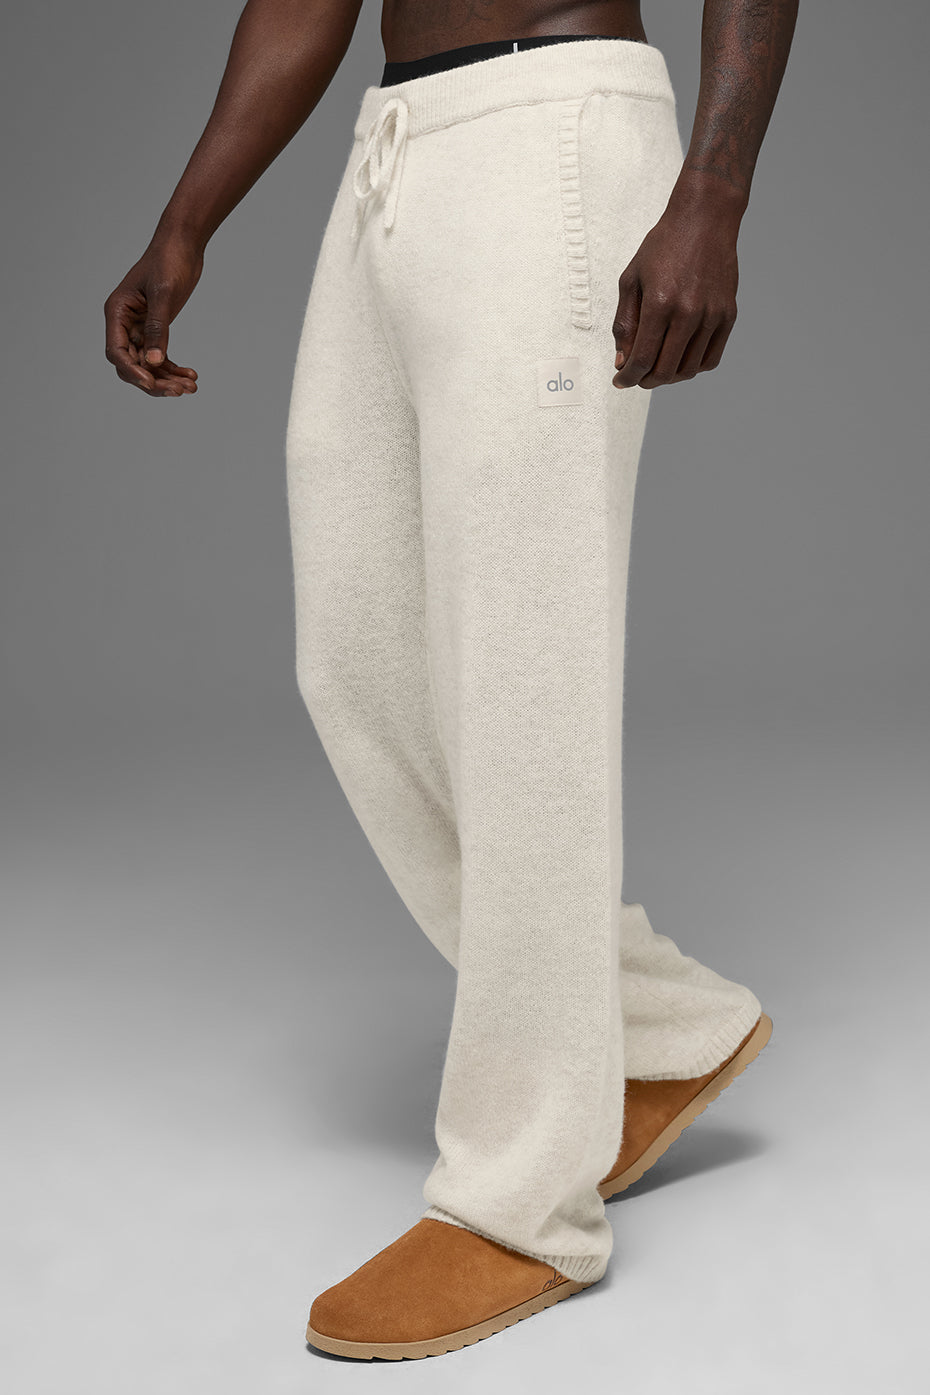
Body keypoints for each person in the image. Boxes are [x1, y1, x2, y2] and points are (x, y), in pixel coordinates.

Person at [104, 0, 797, 1362]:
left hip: (556, 133)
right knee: (357, 659)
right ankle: (657, 1028)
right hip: (399, 147)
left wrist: (710, 195)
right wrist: (188, 219)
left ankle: (523, 1201)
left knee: (520, 681)